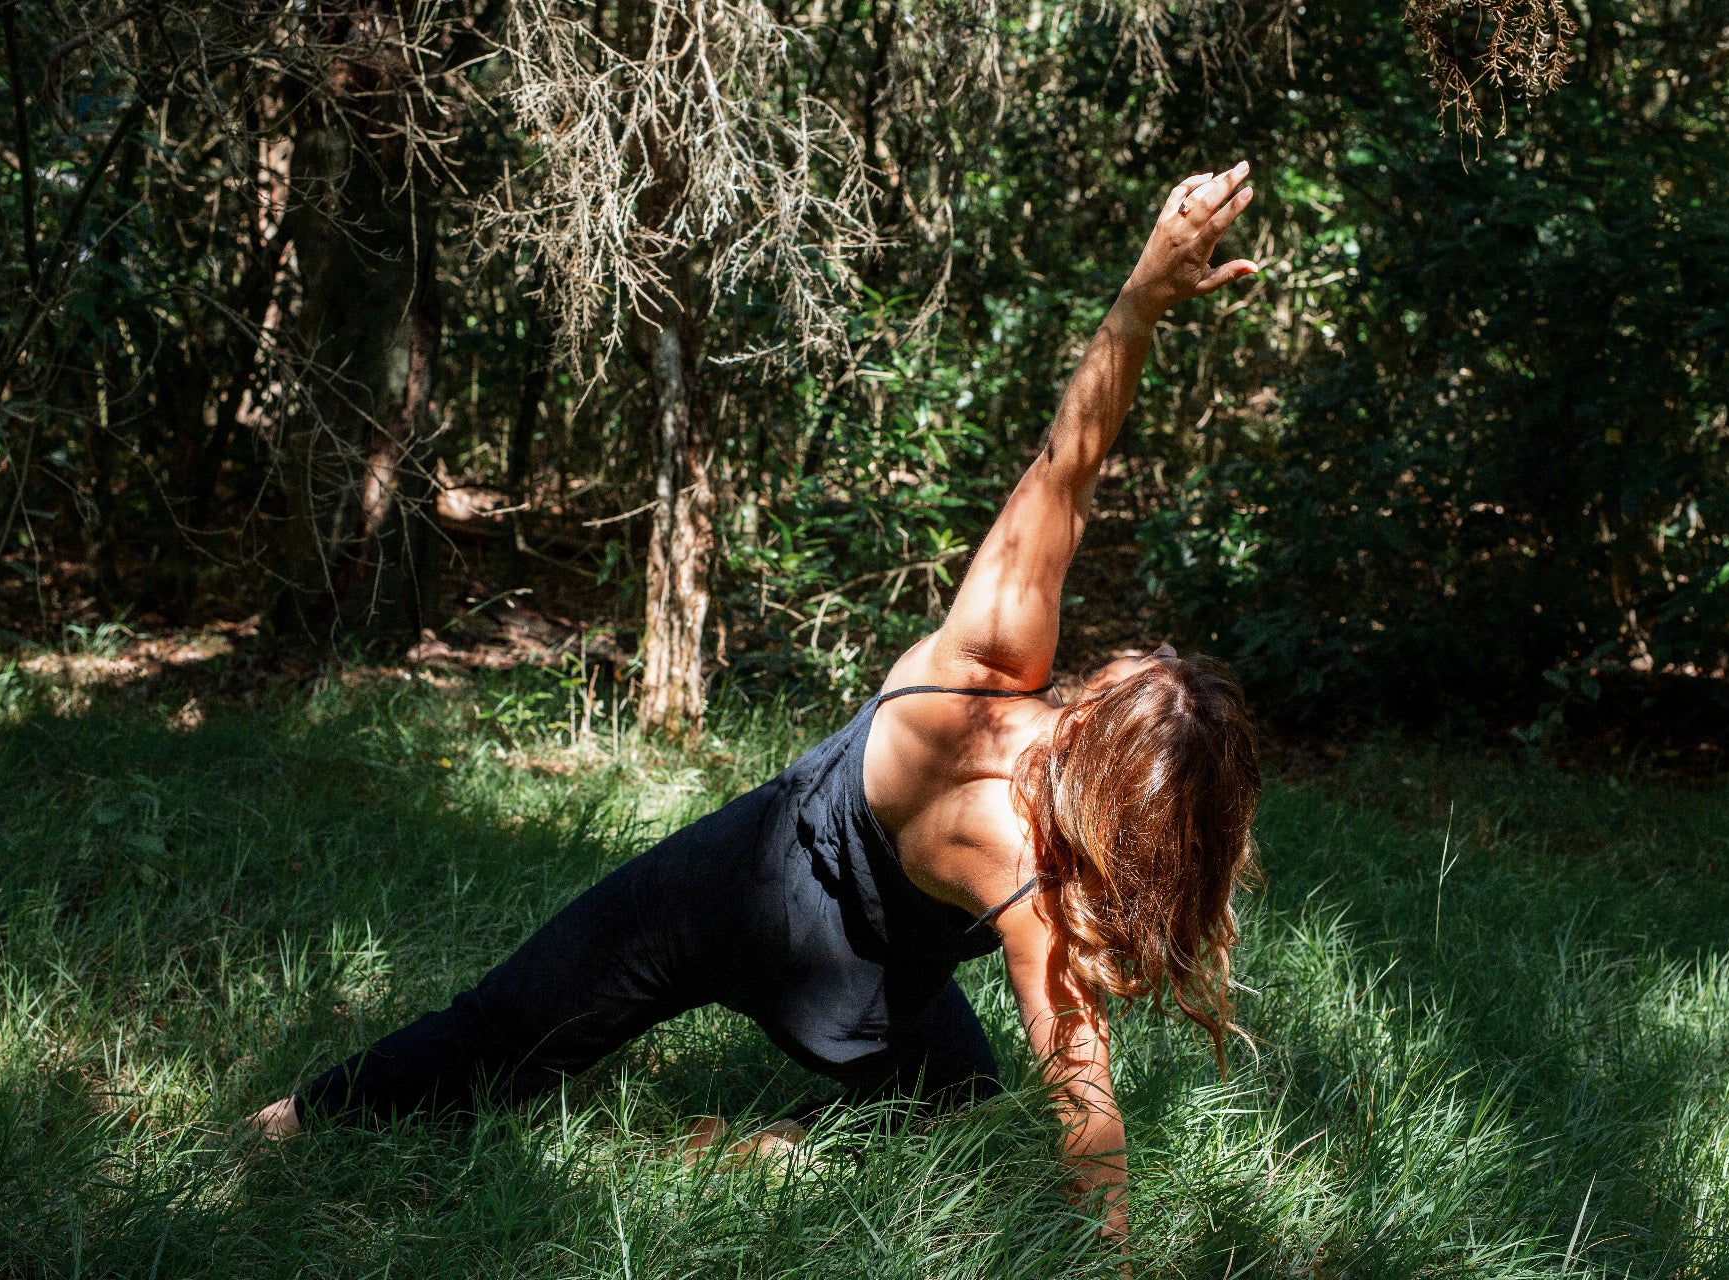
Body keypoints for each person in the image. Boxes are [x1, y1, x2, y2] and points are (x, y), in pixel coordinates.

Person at [251, 161, 1264, 1240]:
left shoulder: (988, 659)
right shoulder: (1033, 873)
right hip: (808, 943)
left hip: (744, 884)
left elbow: (1068, 463)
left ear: (1101, 725)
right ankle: (306, 1130)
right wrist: (1115, 1257)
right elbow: (1085, 1095)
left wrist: (1141, 299)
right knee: (949, 1100)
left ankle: (290, 1123)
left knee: (507, 1034)